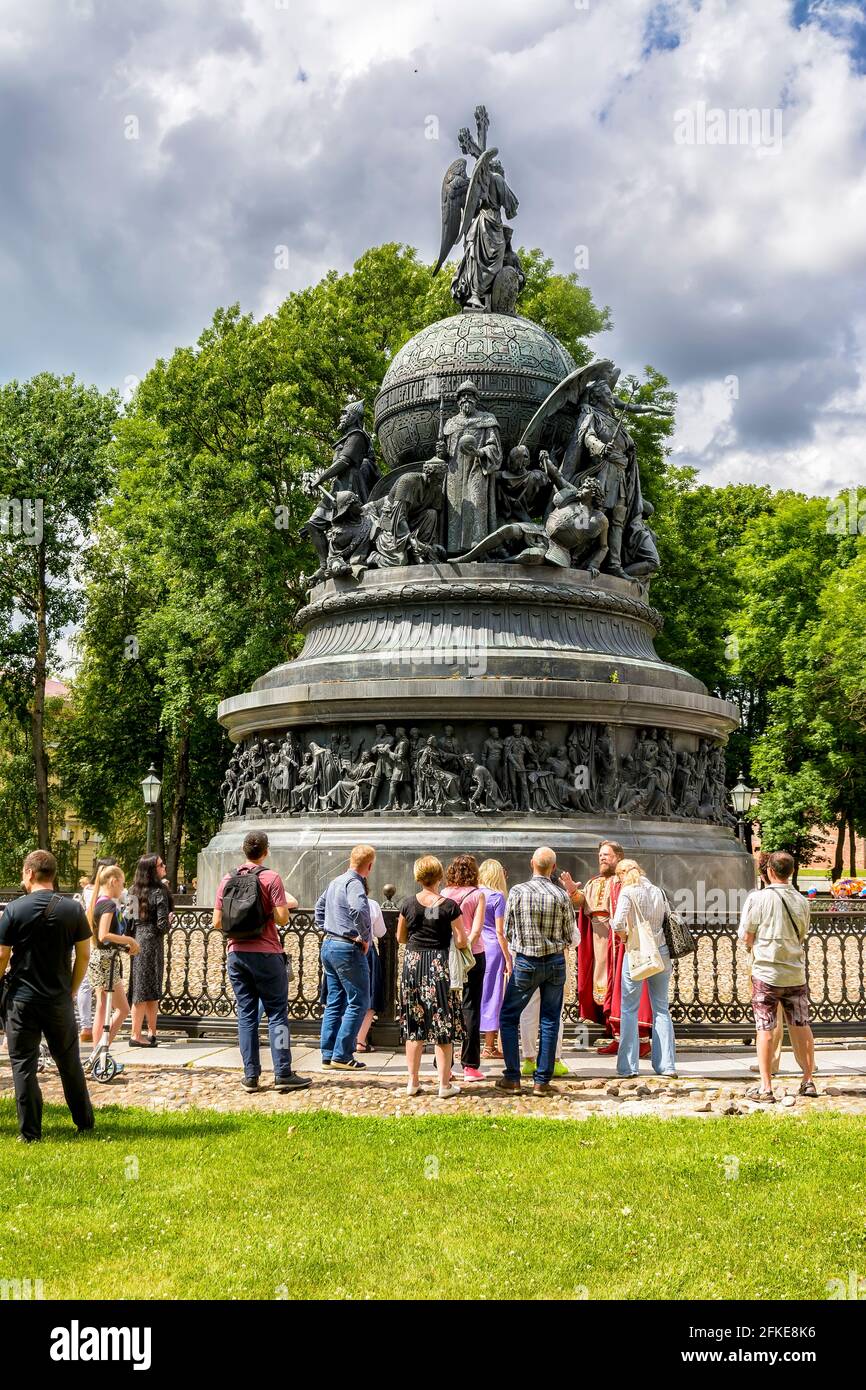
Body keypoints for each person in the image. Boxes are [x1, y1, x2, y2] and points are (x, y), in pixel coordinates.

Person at [0, 850, 95, 1142]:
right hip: (58, 999)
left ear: (29, 873)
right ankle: (84, 1122)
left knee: (23, 1063)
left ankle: (30, 1133)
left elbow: (2, 955)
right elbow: (84, 955)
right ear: (52, 875)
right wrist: (73, 988)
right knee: (69, 1062)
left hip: (21, 999)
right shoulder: (73, 910)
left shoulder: (14, 910)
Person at [213, 831, 309, 1093]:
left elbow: (217, 922)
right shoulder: (270, 878)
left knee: (246, 1016)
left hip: (236, 955)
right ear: (265, 851)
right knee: (277, 1014)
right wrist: (265, 911)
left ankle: (251, 1076)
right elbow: (282, 919)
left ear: (244, 852)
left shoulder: (228, 879)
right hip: (266, 953)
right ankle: (282, 1072)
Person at [496, 847, 577, 1096]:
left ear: (532, 863)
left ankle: (512, 1076)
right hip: (554, 961)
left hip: (526, 961)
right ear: (553, 867)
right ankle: (542, 1080)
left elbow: (508, 929)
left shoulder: (518, 892)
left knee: (509, 1017)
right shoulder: (561, 894)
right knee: (550, 1019)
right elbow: (569, 933)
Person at [738, 850, 816, 1103]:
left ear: (770, 870)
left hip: (766, 972)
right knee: (802, 1026)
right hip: (794, 972)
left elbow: (746, 936)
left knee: (765, 1028)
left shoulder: (758, 899)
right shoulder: (802, 901)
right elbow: (802, 934)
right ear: (792, 871)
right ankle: (807, 1080)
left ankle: (766, 1087)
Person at [569, 840, 653, 1057]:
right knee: (603, 986)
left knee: (620, 986)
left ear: (618, 857)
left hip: (618, 943)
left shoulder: (623, 882)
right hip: (598, 942)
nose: (602, 858)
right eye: (600, 855)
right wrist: (572, 892)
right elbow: (583, 904)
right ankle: (615, 1033)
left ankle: (630, 1037)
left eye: (606, 855)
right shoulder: (593, 882)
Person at [397, 855, 468, 1099]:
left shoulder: (407, 904)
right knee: (442, 1024)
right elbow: (461, 940)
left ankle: (412, 1081)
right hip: (439, 965)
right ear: (439, 877)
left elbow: (401, 938)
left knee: (414, 1025)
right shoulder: (449, 906)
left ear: (418, 877)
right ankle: (444, 1084)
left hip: (413, 963)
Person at [610, 859, 676, 1079]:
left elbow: (618, 923)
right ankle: (667, 1065)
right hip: (661, 952)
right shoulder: (658, 891)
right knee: (661, 1009)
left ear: (621, 874)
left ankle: (628, 1066)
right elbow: (667, 919)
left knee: (629, 1008)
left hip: (638, 952)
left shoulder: (628, 892)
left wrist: (625, 937)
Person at [315, 845, 376, 1070]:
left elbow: (318, 907)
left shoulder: (335, 881)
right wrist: (365, 936)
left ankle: (327, 1053)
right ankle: (342, 1054)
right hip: (347, 947)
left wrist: (326, 927)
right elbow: (359, 909)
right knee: (359, 1001)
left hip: (329, 944)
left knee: (334, 1001)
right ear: (369, 866)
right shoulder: (355, 883)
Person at [87, 863, 139, 1071]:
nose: (123, 888)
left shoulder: (99, 902)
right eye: (122, 883)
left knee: (102, 1007)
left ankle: (97, 1055)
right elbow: (104, 935)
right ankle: (101, 1052)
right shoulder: (108, 904)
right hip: (106, 960)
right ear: (114, 881)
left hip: (101, 957)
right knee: (121, 1008)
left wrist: (124, 945)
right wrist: (129, 940)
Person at [442, 855, 487, 1079]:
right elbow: (477, 929)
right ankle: (470, 1065)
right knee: (471, 1007)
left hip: (448, 955)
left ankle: (444, 1064)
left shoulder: (443, 895)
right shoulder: (478, 895)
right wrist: (466, 947)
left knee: (447, 1006)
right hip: (474, 954)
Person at [128, 855, 172, 1047]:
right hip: (153, 941)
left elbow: (129, 921)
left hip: (137, 939)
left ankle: (146, 1033)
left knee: (140, 986)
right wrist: (169, 921)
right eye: (161, 865)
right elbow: (162, 925)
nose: (164, 867)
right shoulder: (160, 891)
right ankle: (140, 1034)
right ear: (153, 870)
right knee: (151, 988)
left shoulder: (133, 891)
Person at [478, 859, 509, 1060]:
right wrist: (508, 957)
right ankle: (489, 1046)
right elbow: (500, 931)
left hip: (475, 946)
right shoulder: (497, 897)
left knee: (475, 993)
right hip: (493, 948)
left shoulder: (474, 894)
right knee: (493, 994)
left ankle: (470, 1043)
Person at [354, 894, 387, 1053]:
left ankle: (343, 1040)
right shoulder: (372, 904)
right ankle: (360, 1041)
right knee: (370, 996)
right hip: (366, 950)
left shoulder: (337, 900)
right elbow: (381, 932)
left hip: (340, 946)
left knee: (342, 996)